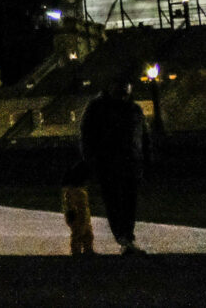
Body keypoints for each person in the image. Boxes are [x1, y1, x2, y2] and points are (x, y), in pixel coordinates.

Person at [80, 78, 150, 255]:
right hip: (110, 163)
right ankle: (124, 237)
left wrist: (145, 159)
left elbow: (144, 136)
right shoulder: (102, 108)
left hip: (129, 163)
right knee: (116, 202)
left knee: (127, 202)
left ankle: (126, 237)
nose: (124, 96)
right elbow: (87, 137)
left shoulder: (131, 109)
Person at [61, 160, 95, 255]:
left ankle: (87, 249)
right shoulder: (72, 191)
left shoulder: (78, 189)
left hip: (82, 214)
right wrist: (70, 210)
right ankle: (76, 250)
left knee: (87, 232)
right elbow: (69, 202)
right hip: (77, 215)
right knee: (78, 232)